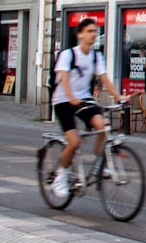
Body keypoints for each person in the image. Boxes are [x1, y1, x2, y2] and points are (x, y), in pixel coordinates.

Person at [50, 18, 127, 199]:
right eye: (90, 31)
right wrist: (70, 97)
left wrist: (118, 97)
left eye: (95, 31)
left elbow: (104, 79)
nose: (93, 34)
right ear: (80, 34)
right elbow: (64, 78)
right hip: (63, 101)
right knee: (74, 142)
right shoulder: (68, 55)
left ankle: (100, 163)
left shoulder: (95, 56)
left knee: (103, 127)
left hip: (84, 100)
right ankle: (59, 176)